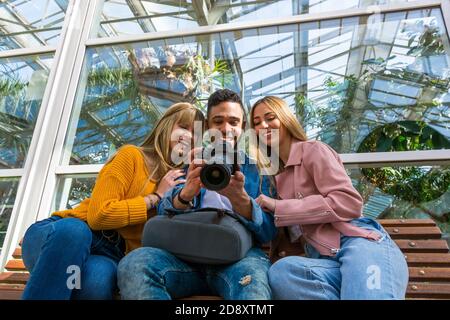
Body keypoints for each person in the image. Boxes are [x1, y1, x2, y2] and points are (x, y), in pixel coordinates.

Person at [21, 103, 204, 299]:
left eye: (196, 134)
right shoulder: (132, 156)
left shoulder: (183, 186)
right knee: (74, 232)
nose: (189, 136)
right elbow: (99, 216)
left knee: (97, 283)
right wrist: (154, 198)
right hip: (65, 234)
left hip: (110, 254)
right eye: (184, 127)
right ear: (166, 126)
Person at [117, 89, 277, 300]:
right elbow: (164, 209)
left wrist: (242, 201)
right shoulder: (191, 162)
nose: (225, 129)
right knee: (135, 263)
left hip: (239, 259)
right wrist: (185, 194)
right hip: (185, 256)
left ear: (243, 127)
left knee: (253, 287)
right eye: (217, 121)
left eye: (233, 122)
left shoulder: (259, 170)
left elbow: (268, 232)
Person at [251, 96, 409, 300]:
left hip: (357, 245)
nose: (263, 125)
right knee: (282, 272)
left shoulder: (313, 150)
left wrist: (279, 206)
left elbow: (349, 203)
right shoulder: (272, 178)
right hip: (325, 261)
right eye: (256, 122)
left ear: (285, 119)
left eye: (270, 117)